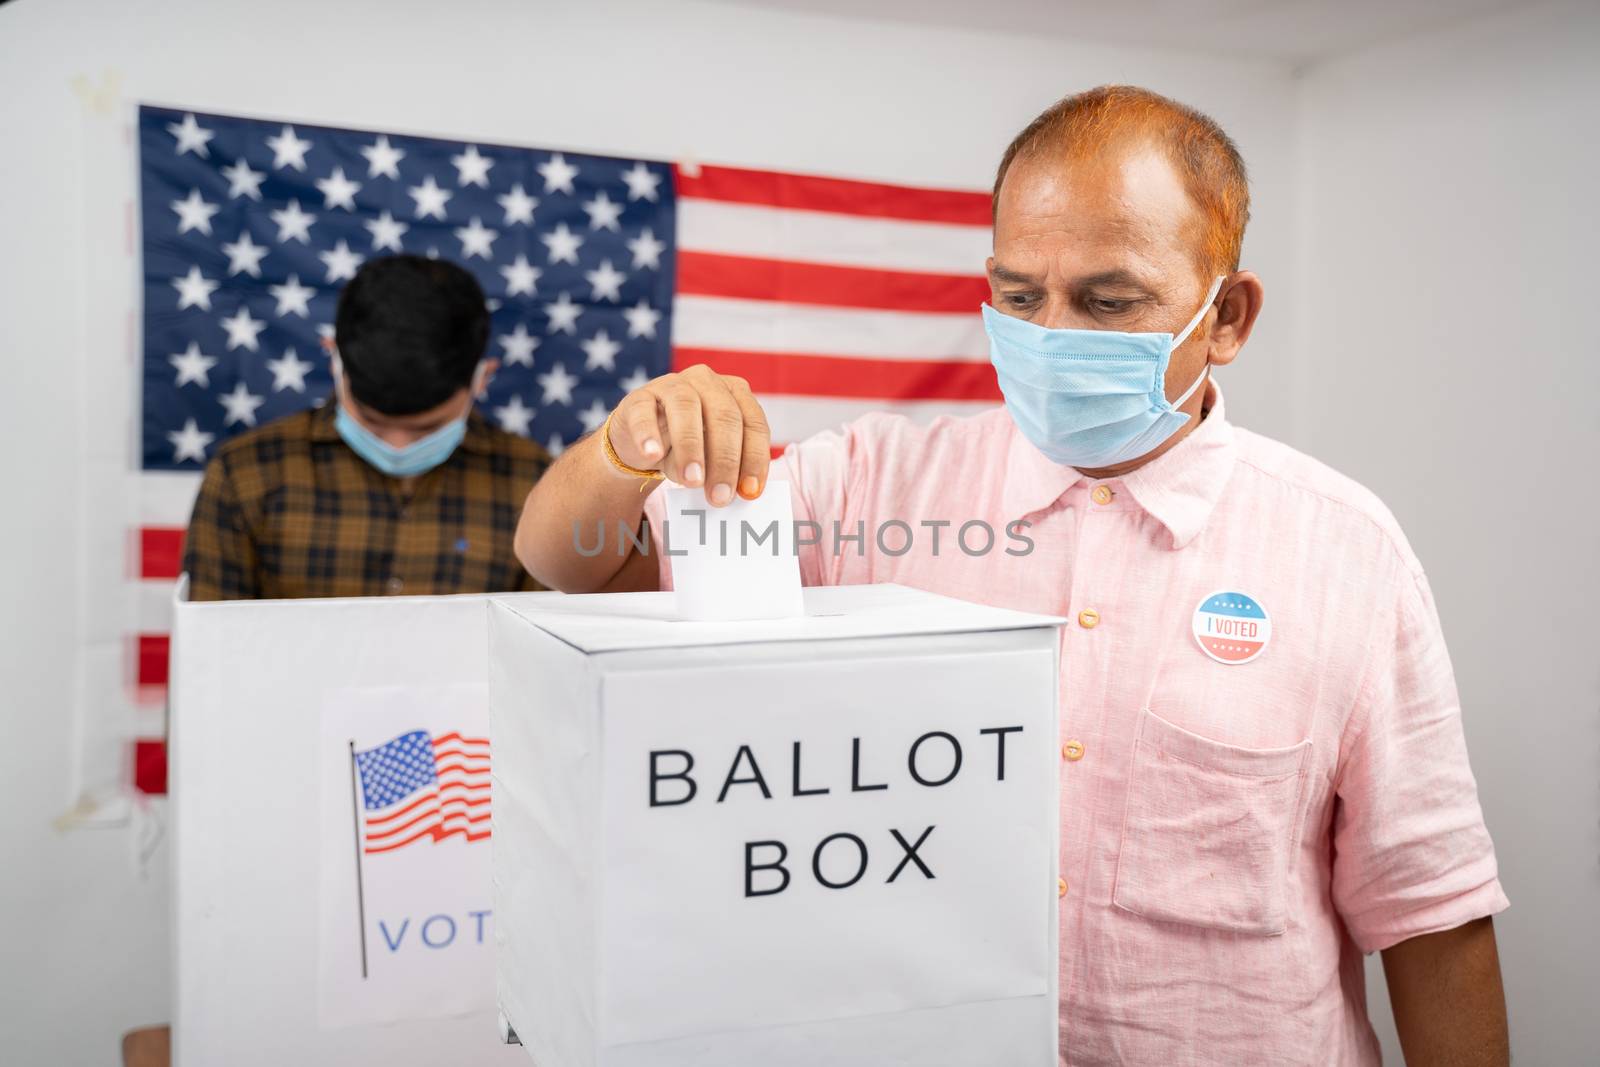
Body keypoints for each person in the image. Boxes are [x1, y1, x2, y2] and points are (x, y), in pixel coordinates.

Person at [516, 86, 1512, 1063]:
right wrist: (624, 445)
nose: (1051, 338)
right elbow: (569, 563)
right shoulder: (873, 483)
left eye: (1108, 300)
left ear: (1226, 318)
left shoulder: (1343, 547)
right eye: (1019, 296)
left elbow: (1430, 910)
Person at [183, 254, 548, 600]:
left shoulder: (541, 487)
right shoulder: (245, 474)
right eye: (372, 423)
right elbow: (214, 649)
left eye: (427, 429)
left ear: (482, 377)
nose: (398, 445)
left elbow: (552, 652)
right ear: (333, 357)